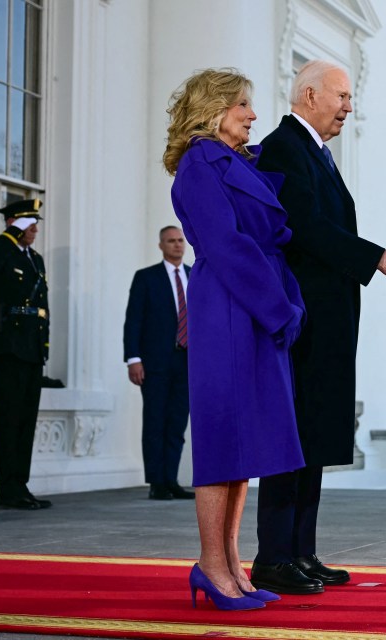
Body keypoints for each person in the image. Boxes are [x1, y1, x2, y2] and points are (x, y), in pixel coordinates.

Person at [249, 60, 386, 595]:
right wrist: (382, 259)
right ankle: (272, 555)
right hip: (300, 319)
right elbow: (305, 227)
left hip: (326, 320)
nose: (349, 106)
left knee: (316, 434)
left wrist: (380, 259)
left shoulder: (317, 153)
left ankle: (300, 551)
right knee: (293, 436)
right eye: (342, 96)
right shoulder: (284, 146)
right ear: (308, 95)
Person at [164, 68, 307, 611]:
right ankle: (210, 565)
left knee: (247, 441)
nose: (252, 114)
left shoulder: (233, 162)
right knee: (224, 440)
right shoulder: (201, 163)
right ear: (214, 108)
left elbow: (264, 241)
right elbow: (226, 245)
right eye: (243, 104)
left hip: (252, 303)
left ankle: (231, 565)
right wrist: (278, 308)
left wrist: (285, 304)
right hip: (230, 305)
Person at [0, 199, 53, 511]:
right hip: (8, 346)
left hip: (32, 348)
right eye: (29, 223)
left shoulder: (35, 258)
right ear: (14, 223)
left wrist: (44, 346)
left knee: (26, 420)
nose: (35, 229)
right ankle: (6, 488)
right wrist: (11, 232)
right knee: (8, 419)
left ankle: (20, 484)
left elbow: (42, 307)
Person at [123, 226, 195, 501]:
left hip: (187, 362)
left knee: (177, 423)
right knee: (155, 421)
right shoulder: (146, 278)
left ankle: (172, 479)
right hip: (155, 362)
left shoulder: (194, 276)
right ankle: (156, 482)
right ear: (161, 245)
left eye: (180, 241)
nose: (177, 245)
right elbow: (134, 320)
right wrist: (133, 358)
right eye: (171, 241)